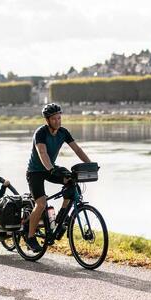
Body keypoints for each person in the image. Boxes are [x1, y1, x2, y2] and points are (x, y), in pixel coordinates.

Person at [25, 102, 92, 252]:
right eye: (54, 119)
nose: (57, 121)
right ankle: (30, 237)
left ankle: (61, 220)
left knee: (71, 184)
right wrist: (51, 169)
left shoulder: (63, 132)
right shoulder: (40, 133)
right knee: (41, 204)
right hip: (35, 171)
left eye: (59, 118)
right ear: (47, 120)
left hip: (51, 168)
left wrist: (90, 164)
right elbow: (42, 153)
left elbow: (77, 149)